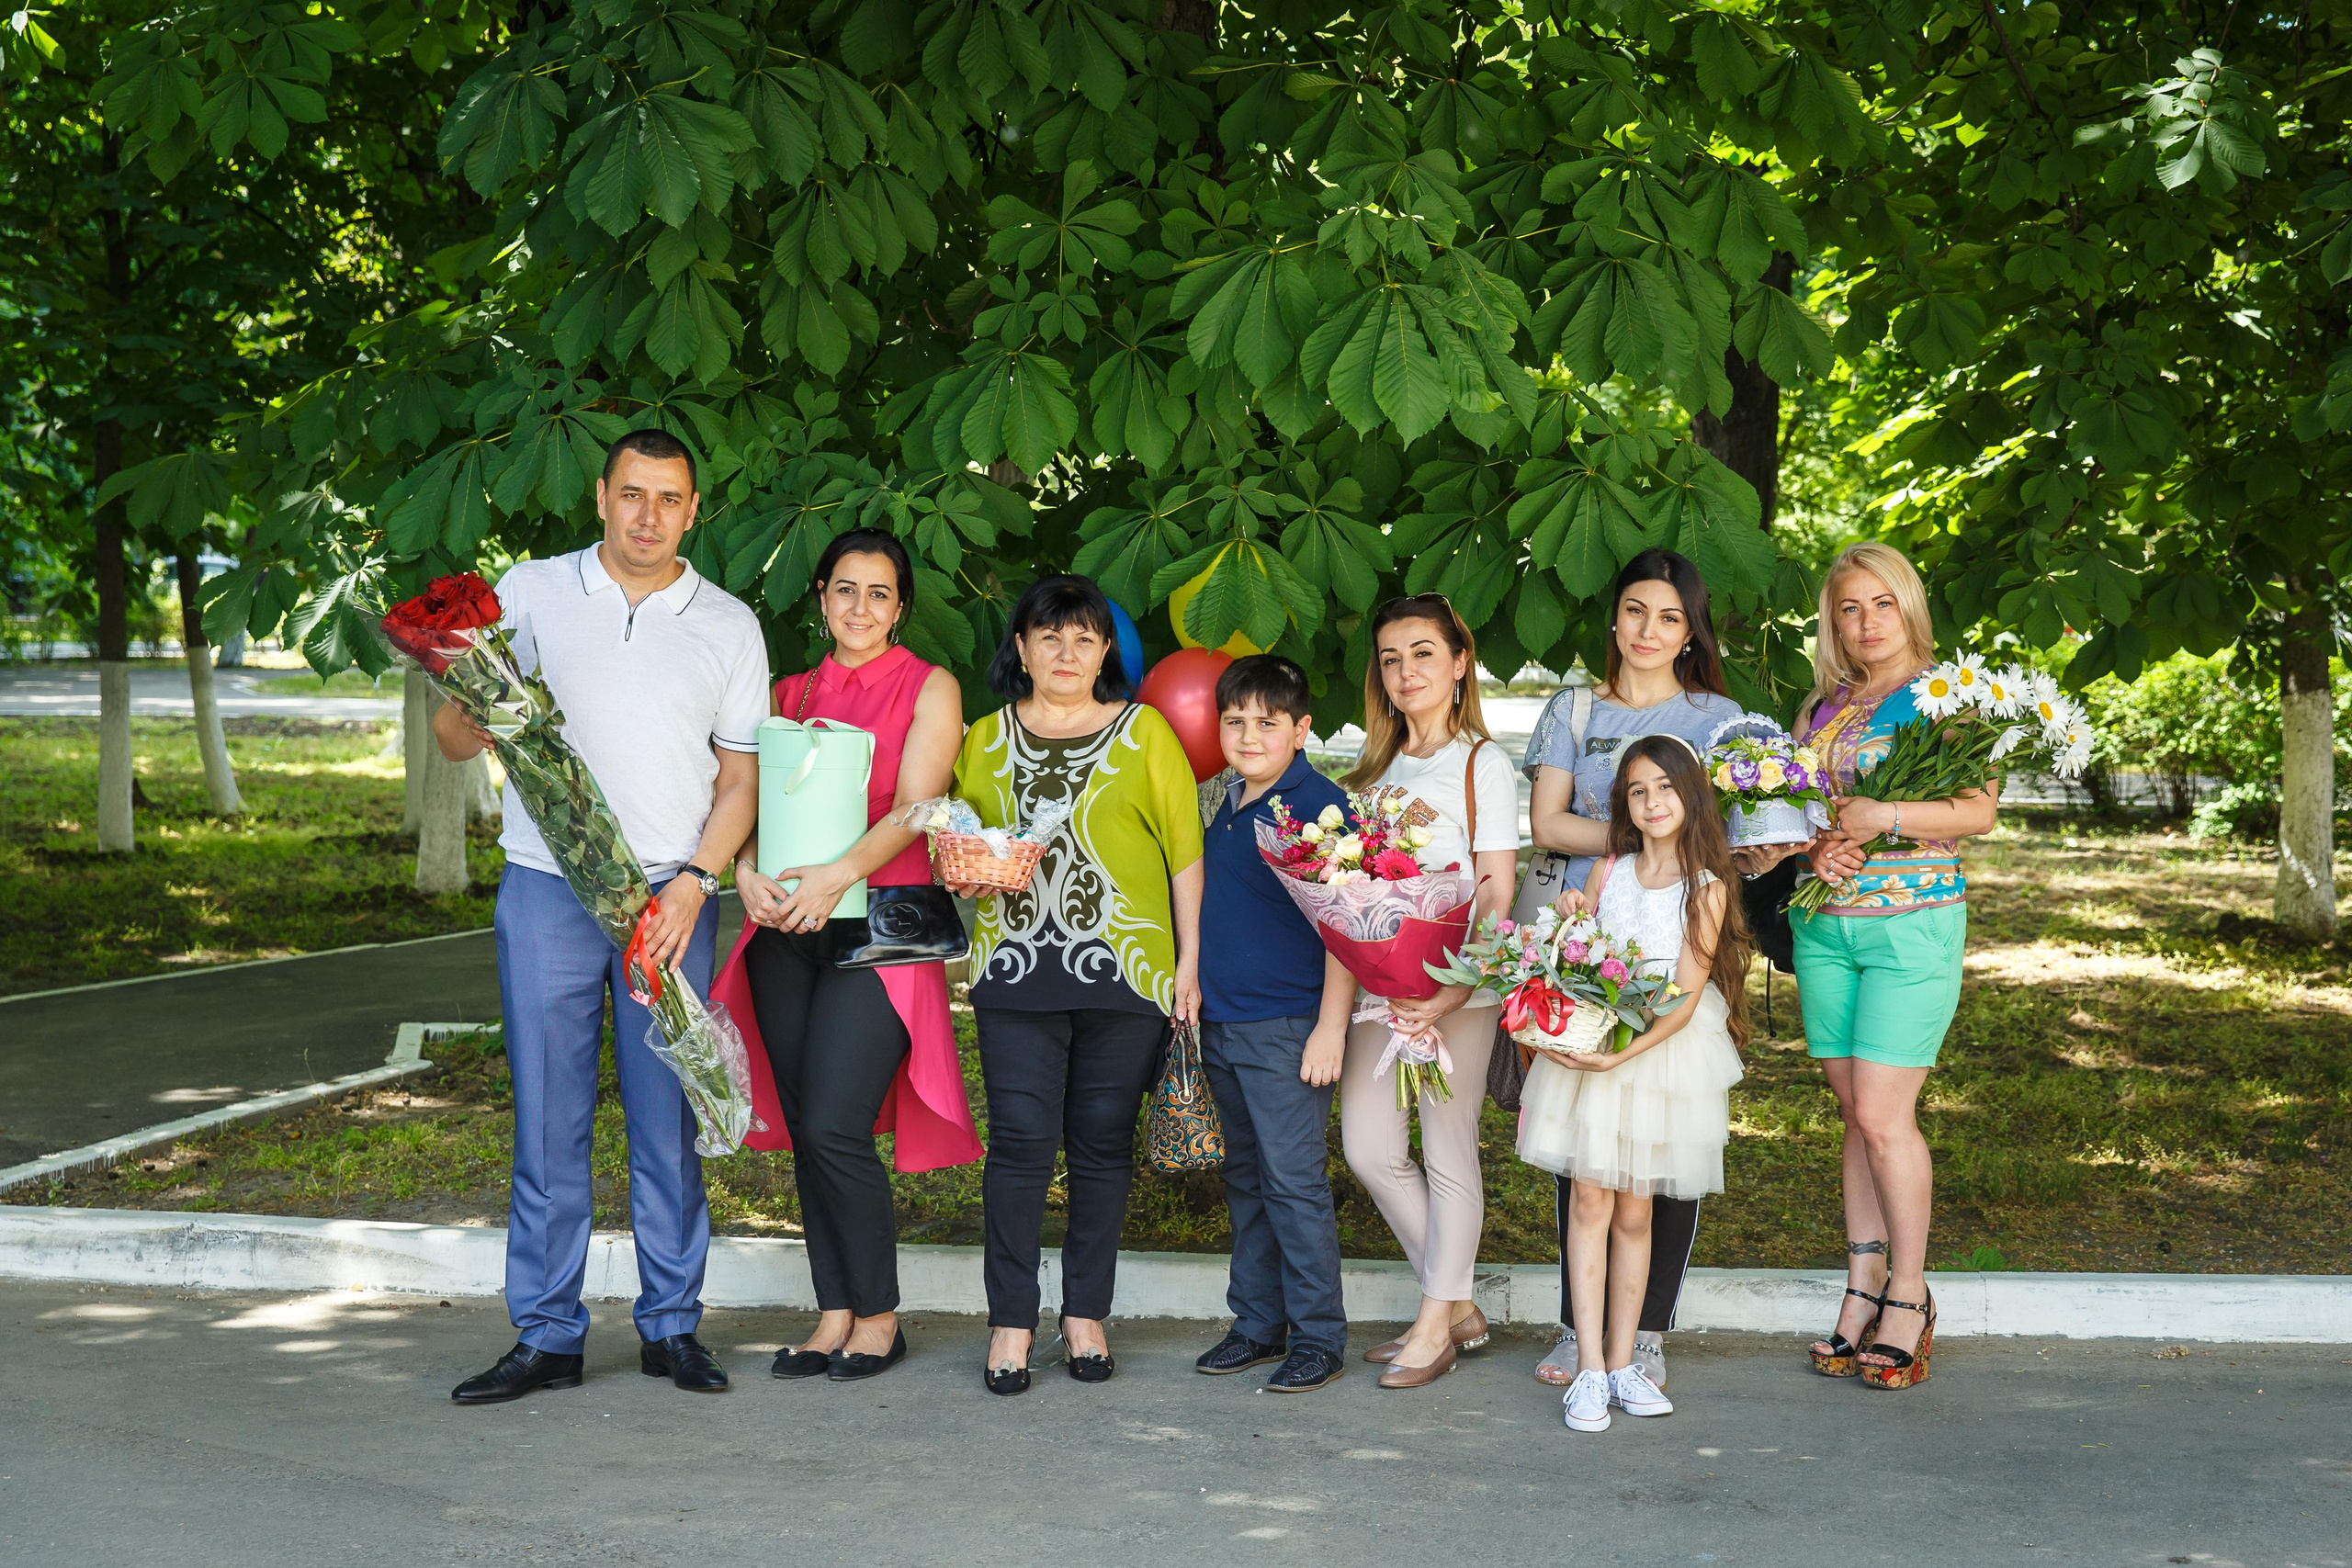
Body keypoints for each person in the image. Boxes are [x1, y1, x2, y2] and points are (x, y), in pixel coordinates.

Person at [437, 428, 766, 1404]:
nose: (647, 516)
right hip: (547, 885)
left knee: (667, 1116)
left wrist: (697, 880)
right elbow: (455, 738)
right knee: (548, 1116)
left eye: (668, 499)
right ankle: (547, 1334)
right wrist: (462, 693)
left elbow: (740, 780)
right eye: (632, 494)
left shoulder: (728, 624)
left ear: (693, 511)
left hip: (668, 897)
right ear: (600, 495)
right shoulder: (532, 590)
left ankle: (672, 1327)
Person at [706, 528, 979, 1384]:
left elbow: (918, 806)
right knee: (806, 1129)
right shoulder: (785, 693)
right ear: (821, 596)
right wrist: (745, 872)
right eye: (845, 589)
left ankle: (881, 1316)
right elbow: (745, 804)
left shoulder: (930, 686)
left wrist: (837, 875)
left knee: (835, 1121)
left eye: (879, 592)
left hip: (879, 930)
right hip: (785, 930)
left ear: (900, 607)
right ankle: (834, 1312)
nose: (861, 606)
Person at [946, 575, 1205, 1396]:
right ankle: (1011, 1321)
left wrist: (1190, 964)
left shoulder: (1145, 731)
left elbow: (1184, 853)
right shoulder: (983, 738)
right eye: (1049, 636)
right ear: (1020, 649)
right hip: (1013, 968)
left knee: (1101, 1146)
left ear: (1105, 653)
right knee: (1019, 1146)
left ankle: (1086, 1314)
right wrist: (967, 873)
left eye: (1084, 638)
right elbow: (963, 844)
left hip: (1127, 970)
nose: (1066, 652)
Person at [1522, 548, 1742, 1393]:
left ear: (1691, 632)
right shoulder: (1574, 707)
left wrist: (1681, 856)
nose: (1650, 630)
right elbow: (1548, 823)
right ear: (1614, 619)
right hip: (1590, 941)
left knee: (1664, 1152)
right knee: (1582, 1149)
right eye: (1636, 611)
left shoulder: (1720, 719)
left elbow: (1736, 826)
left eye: (1671, 617)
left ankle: (1645, 1333)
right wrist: (1637, 845)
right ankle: (1579, 1326)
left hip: (1679, 937)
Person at [1795, 542, 1998, 1392]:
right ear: (1833, 621)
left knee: (1884, 1114)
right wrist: (1815, 849)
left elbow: (1978, 810)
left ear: (1908, 606)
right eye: (1849, 607)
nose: (1867, 621)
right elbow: (1800, 809)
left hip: (1912, 928)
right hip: (1825, 929)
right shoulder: (1823, 706)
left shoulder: (1950, 696)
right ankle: (1862, 1282)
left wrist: (1885, 814)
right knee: (1855, 1114)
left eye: (1882, 603)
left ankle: (1909, 1294)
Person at [1339, 594, 1520, 1390]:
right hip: (1380, 992)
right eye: (1391, 659)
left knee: (1448, 1152)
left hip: (1457, 992)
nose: (1406, 671)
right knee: (1369, 1148)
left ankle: (1431, 1323)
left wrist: (1454, 989)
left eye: (1422, 653)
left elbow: (1495, 889)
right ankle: (1458, 1306)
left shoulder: (1483, 764)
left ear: (1459, 662)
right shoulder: (1369, 770)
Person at [1190, 654, 1356, 1393]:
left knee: (1293, 1183)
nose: (1249, 735)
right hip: (1223, 1020)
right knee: (1247, 1178)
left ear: (1301, 728)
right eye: (1235, 721)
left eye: (1268, 721)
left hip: (1288, 1025)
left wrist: (1330, 1027)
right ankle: (1258, 1323)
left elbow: (1348, 926)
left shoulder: (1319, 807)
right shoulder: (1223, 799)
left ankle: (1319, 1337)